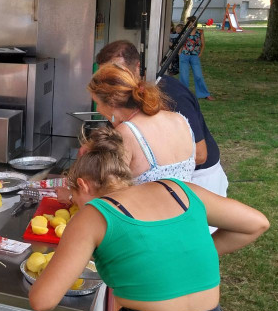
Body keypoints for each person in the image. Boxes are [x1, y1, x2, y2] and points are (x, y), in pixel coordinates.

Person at [30, 128, 268, 311]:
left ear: (82, 185)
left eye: (73, 196)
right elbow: (256, 224)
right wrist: (179, 255)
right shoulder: (179, 189)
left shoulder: (94, 214)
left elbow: (42, 300)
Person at [95, 40, 228, 196]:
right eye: (106, 75)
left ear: (137, 67)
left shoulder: (172, 94)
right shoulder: (122, 105)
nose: (112, 80)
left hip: (199, 180)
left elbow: (200, 154)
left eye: (118, 72)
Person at [88, 64, 195, 184]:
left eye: (97, 102)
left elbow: (111, 189)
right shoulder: (179, 119)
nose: (97, 109)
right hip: (185, 202)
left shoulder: (126, 132)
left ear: (111, 103)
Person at [179, 25, 215, 101]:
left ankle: (204, 94)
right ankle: (184, 95)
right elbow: (181, 43)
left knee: (198, 75)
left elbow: (203, 44)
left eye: (191, 23)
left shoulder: (200, 32)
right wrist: (179, 53)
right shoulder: (185, 32)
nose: (189, 25)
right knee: (184, 76)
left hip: (195, 56)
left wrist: (200, 53)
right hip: (184, 56)